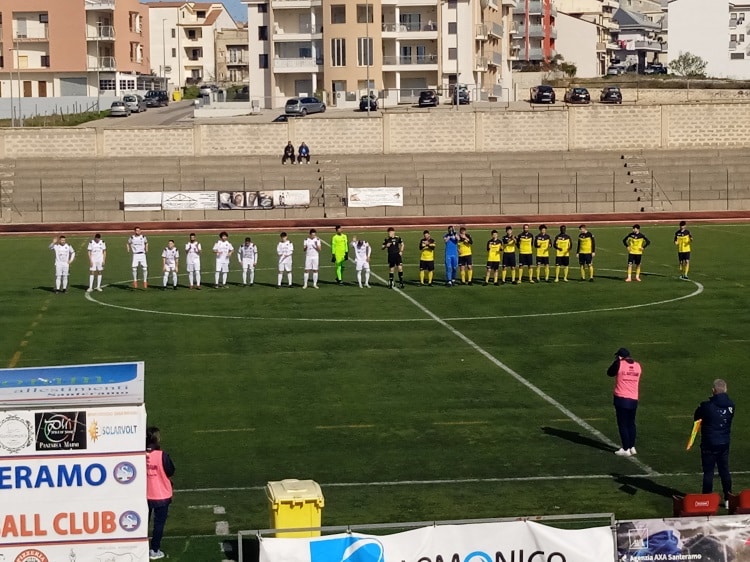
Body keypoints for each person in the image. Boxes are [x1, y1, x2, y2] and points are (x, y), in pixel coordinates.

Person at [694, 379, 735, 505]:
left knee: (708, 472)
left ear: (713, 390)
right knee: (724, 470)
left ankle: (706, 499)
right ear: (726, 390)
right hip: (724, 442)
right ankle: (728, 498)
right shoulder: (731, 405)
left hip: (709, 443)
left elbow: (697, 417)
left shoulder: (707, 406)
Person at [146, 426, 175, 561]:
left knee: (143, 523)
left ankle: (140, 547)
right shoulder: (162, 455)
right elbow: (170, 471)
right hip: (161, 494)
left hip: (145, 494)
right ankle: (155, 549)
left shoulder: (140, 454)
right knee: (159, 524)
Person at [607, 347, 642, 457]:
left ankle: (626, 448)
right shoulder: (637, 365)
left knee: (622, 424)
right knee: (631, 423)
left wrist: (617, 362)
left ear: (620, 356)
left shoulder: (619, 364)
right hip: (634, 398)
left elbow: (610, 373)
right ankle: (632, 446)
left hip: (621, 398)